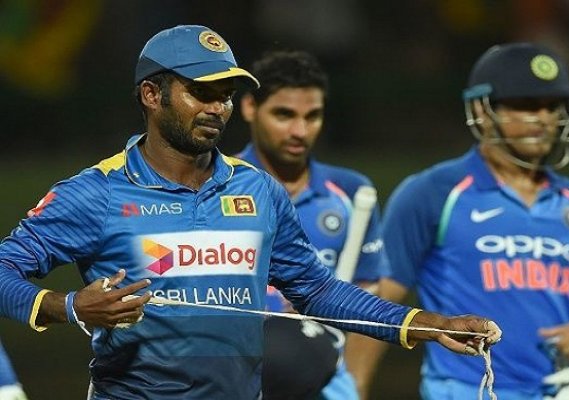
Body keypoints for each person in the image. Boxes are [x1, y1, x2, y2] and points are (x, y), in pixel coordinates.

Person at [0, 25, 501, 400]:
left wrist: (426, 323)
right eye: (201, 92)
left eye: (225, 95)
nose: (216, 108)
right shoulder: (97, 192)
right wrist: (69, 307)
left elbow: (317, 291)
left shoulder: (257, 189)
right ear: (152, 95)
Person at [357, 42, 569, 400]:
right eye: (525, 104)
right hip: (466, 391)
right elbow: (377, 306)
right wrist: (351, 389)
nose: (543, 118)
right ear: (481, 110)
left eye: (552, 106)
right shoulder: (434, 193)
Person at [238, 50, 389, 400]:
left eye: (313, 116)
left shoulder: (353, 194)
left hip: (324, 382)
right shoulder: (212, 188)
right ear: (249, 107)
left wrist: (354, 387)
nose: (300, 131)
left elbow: (367, 296)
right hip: (237, 376)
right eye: (284, 114)